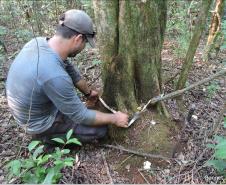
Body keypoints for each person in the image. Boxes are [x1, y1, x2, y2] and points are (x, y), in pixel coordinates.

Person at [6, 9, 129, 144]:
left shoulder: (39, 42)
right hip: (39, 124)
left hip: (33, 109)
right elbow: (80, 116)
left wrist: (88, 93)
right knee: (100, 130)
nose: (84, 47)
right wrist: (115, 118)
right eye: (85, 43)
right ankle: (45, 139)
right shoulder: (54, 76)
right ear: (78, 39)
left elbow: (70, 70)